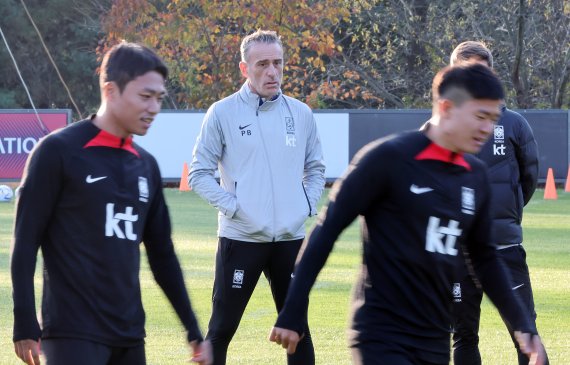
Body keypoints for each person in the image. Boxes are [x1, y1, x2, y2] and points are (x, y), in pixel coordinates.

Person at [269, 63, 547, 365]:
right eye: (480, 116)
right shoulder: (387, 159)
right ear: (446, 108)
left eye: (493, 119)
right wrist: (294, 308)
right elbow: (327, 230)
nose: (487, 129)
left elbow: (485, 259)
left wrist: (522, 324)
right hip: (381, 333)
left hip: (435, 338)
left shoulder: (475, 177)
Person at [11, 42, 211, 365]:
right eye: (145, 96)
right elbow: (25, 242)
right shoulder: (57, 152)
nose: (154, 108)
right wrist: (24, 321)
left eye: (159, 98)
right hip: (71, 334)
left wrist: (193, 329)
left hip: (130, 335)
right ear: (110, 91)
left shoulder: (147, 166)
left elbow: (163, 257)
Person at [189, 29, 324, 365]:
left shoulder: (301, 114)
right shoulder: (222, 113)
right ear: (244, 68)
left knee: (298, 330)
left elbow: (316, 168)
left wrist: (305, 205)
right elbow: (198, 174)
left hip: (291, 240)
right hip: (241, 239)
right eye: (262, 64)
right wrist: (235, 209)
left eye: (277, 63)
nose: (272, 72)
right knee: (221, 330)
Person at [449, 41, 548, 365]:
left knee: (526, 333)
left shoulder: (515, 124)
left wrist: (509, 211)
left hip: (503, 245)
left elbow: (529, 177)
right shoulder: (439, 129)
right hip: (458, 250)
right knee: (463, 336)